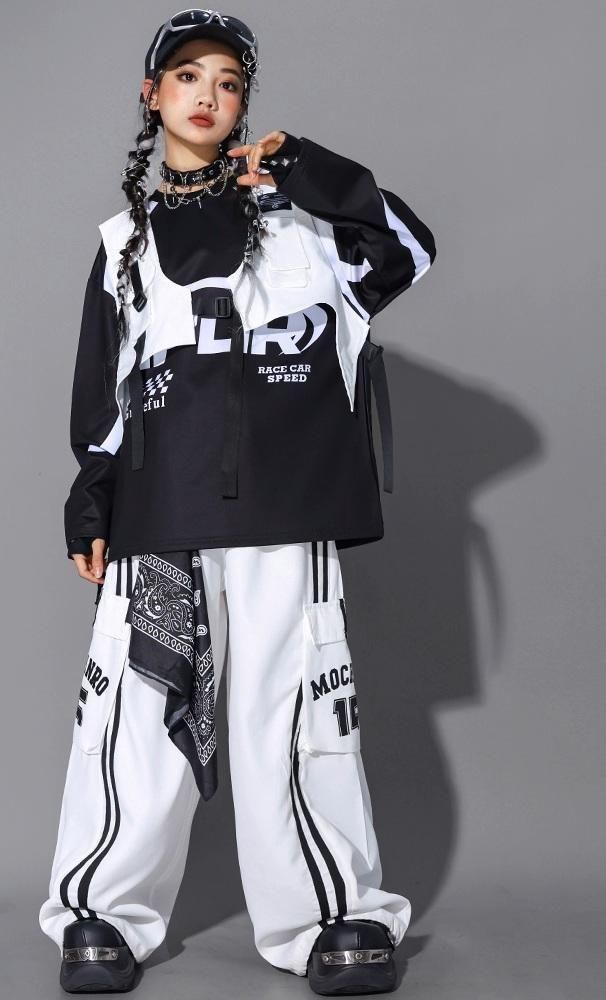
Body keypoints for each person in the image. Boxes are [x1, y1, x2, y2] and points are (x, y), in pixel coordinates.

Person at [39, 8, 437, 995]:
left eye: (227, 80)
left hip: (283, 514)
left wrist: (310, 169)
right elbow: (105, 398)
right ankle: (103, 915)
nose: (207, 94)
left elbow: (408, 248)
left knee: (293, 712)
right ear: (153, 95)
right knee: (136, 715)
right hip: (161, 518)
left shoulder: (303, 226)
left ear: (244, 103)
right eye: (186, 75)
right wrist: (92, 496)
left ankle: (330, 917)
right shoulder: (123, 246)